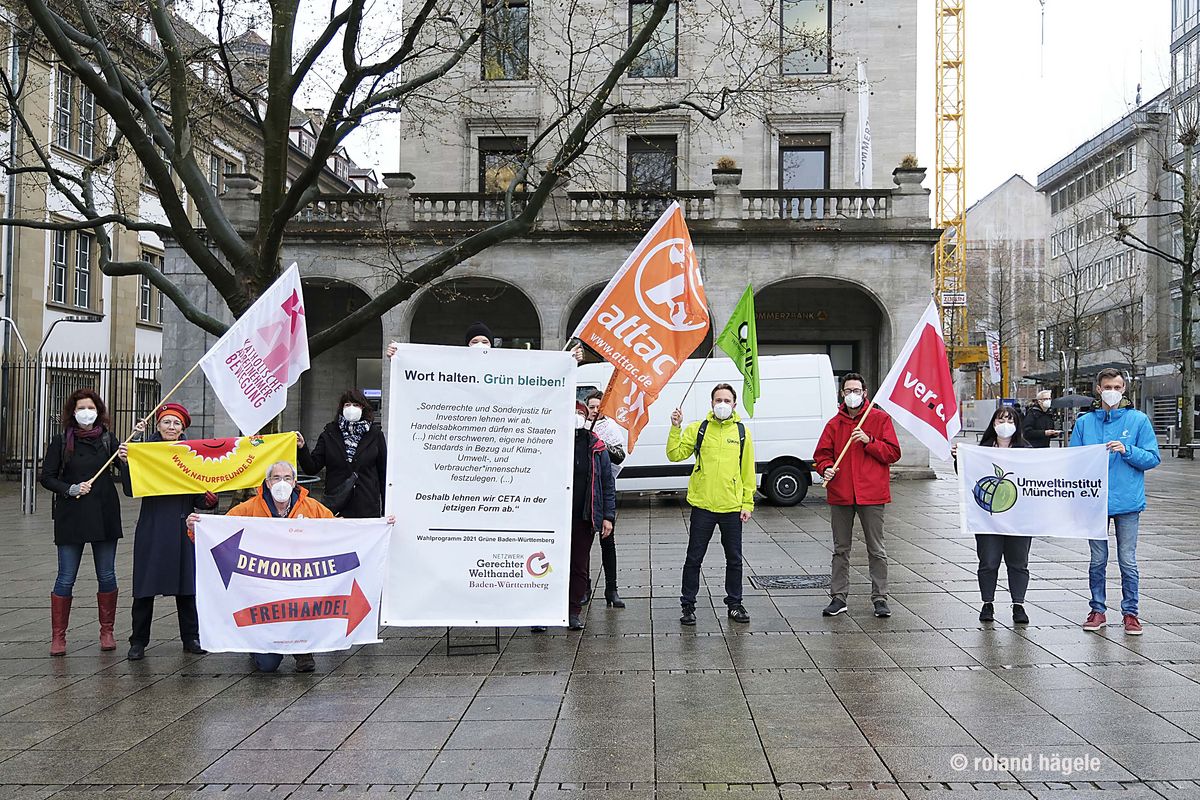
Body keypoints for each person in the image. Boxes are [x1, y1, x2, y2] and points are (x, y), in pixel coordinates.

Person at [190, 460, 334, 672]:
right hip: (262, 587)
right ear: (267, 483)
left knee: (302, 603)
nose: (281, 482)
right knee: (267, 666)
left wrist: (378, 527)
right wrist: (196, 529)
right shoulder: (250, 508)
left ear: (295, 482)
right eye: (276, 478)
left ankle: (303, 650)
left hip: (297, 583)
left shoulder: (312, 508)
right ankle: (257, 641)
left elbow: (341, 530)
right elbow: (219, 532)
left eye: (287, 478)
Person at [117, 404, 218, 660]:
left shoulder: (192, 455)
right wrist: (127, 463)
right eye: (167, 423)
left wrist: (210, 498)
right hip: (152, 526)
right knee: (145, 587)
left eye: (176, 424)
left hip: (182, 526)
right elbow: (130, 489)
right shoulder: (145, 452)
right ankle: (138, 640)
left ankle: (191, 637)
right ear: (158, 425)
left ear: (182, 429)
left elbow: (201, 498)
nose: (171, 428)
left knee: (187, 587)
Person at [1071, 368, 1160, 635]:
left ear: (1124, 390)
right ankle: (1097, 610)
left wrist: (1128, 450)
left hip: (1128, 502)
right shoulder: (1084, 423)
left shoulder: (1138, 420)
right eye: (1107, 386)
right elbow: (1073, 461)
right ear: (1098, 389)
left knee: (1127, 560)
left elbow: (1153, 457)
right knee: (1097, 560)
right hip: (1095, 503)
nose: (1112, 391)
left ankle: (1130, 613)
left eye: (1117, 387)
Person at [40, 389, 124, 656]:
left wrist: (125, 456)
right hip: (72, 516)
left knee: (107, 574)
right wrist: (70, 489)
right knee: (66, 577)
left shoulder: (108, 439)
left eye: (91, 407)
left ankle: (107, 631)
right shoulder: (60, 441)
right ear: (72, 412)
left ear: (98, 411)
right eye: (81, 408)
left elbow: (126, 471)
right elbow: (47, 477)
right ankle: (58, 637)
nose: (86, 412)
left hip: (104, 513)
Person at [813, 372, 902, 619]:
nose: (852, 395)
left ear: (865, 393)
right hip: (841, 494)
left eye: (856, 391)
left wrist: (869, 440)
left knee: (876, 548)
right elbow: (821, 455)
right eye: (847, 391)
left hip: (872, 494)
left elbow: (893, 453)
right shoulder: (834, 424)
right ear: (842, 394)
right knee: (841, 548)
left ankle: (880, 597)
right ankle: (838, 597)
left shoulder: (880, 419)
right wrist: (825, 468)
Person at [668, 383, 755, 626]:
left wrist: (747, 503)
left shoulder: (741, 433)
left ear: (734, 405)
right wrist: (676, 428)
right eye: (719, 400)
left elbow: (747, 470)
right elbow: (674, 454)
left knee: (735, 559)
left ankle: (735, 604)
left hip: (732, 508)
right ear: (711, 403)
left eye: (727, 400)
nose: (723, 404)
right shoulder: (699, 429)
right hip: (703, 506)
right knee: (694, 558)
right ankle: (688, 605)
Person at [954, 406, 1034, 624]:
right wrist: (958, 459)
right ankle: (987, 603)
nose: (1005, 424)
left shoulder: (1027, 452)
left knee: (1018, 562)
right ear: (993, 424)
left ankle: (1019, 604)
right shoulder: (981, 451)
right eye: (1000, 420)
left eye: (1010, 420)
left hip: (1019, 521)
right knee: (988, 562)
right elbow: (967, 476)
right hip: (987, 520)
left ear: (1017, 425)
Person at [297, 389, 387, 518]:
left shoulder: (375, 435)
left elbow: (383, 473)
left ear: (363, 408)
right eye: (347, 404)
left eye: (356, 405)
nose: (351, 408)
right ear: (342, 408)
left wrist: (386, 508)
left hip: (366, 508)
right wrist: (302, 448)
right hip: (336, 508)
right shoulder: (329, 434)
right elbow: (311, 468)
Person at [567, 402, 616, 630]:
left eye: (580, 413)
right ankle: (545, 613)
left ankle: (573, 610)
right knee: (551, 564)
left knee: (579, 564)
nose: (576, 416)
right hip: (557, 517)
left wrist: (608, 516)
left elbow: (607, 483)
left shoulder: (595, 445)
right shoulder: (553, 440)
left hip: (584, 516)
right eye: (573, 412)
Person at [583, 389, 626, 608]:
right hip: (584, 492)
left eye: (598, 406)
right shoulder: (579, 425)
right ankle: (584, 587)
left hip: (604, 487)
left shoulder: (609, 428)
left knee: (607, 541)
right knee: (583, 542)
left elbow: (620, 455)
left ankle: (612, 589)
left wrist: (600, 443)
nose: (594, 410)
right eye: (591, 406)